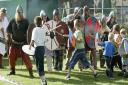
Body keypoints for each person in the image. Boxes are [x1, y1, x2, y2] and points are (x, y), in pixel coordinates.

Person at [6, 5, 34, 78]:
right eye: (18, 12)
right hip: (14, 43)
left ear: (22, 13)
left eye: (20, 12)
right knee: (11, 56)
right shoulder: (12, 21)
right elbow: (8, 30)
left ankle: (31, 72)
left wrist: (29, 42)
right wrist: (8, 37)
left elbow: (29, 32)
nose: (19, 14)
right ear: (16, 13)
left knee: (26, 58)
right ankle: (12, 70)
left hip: (23, 44)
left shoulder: (26, 21)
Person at [29, 16, 47, 85]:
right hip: (42, 48)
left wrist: (30, 47)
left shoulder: (35, 29)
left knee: (38, 65)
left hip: (38, 48)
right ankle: (43, 80)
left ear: (35, 22)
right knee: (41, 64)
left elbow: (33, 39)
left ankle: (43, 81)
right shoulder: (43, 30)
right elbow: (45, 40)